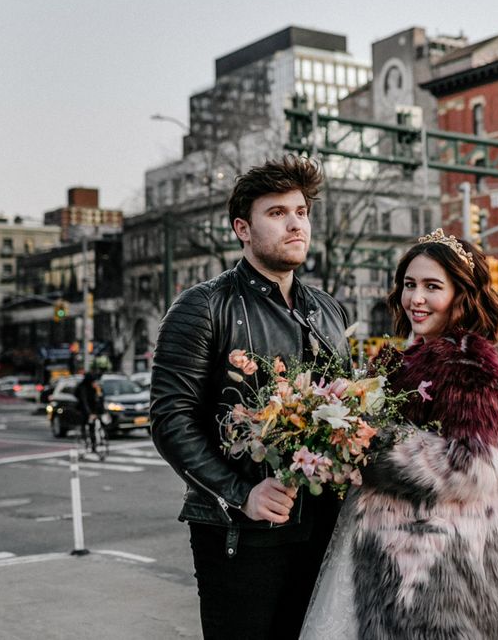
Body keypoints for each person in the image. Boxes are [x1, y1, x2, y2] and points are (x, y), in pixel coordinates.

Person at [150, 155, 351, 640]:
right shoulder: (203, 307)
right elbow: (169, 419)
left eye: (301, 211)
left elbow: (346, 412)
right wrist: (242, 495)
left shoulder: (328, 310)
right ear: (243, 228)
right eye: (277, 213)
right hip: (240, 534)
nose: (295, 223)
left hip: (324, 529)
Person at [301, 229, 498, 640]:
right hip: (401, 564)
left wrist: (368, 444)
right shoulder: (403, 360)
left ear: (461, 295)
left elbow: (471, 466)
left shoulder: (466, 363)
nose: (416, 299)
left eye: (433, 287)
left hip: (441, 579)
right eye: (410, 285)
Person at [75, 372, 104, 452]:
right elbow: (84, 402)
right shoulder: (82, 388)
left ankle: (93, 445)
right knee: (84, 425)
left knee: (92, 427)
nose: (95, 383)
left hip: (93, 410)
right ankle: (84, 441)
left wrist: (99, 393)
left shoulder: (95, 388)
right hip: (84, 410)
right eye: (93, 381)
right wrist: (89, 414)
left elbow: (100, 400)